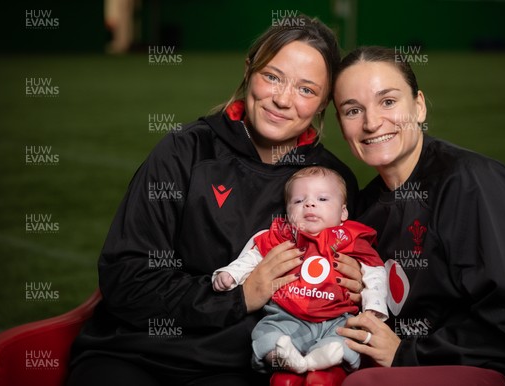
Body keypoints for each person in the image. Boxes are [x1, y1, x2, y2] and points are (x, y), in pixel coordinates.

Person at [66, 16, 365, 386]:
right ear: (248, 70)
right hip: (133, 352)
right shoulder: (185, 150)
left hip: (236, 369)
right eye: (272, 77)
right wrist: (241, 296)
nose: (283, 99)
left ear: (323, 103)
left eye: (306, 90)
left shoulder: (331, 183)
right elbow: (125, 278)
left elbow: (349, 302)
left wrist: (358, 286)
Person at [332, 46, 505, 385]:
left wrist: (406, 354)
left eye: (388, 102)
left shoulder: (475, 182)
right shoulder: (363, 209)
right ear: (342, 126)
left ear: (419, 105)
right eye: (353, 110)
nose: (371, 122)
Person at [212, 166, 387, 374]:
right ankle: (283, 358)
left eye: (322, 199)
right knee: (266, 334)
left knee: (347, 340)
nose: (310, 204)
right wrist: (230, 274)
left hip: (337, 318)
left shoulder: (349, 238)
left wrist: (374, 303)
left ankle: (321, 358)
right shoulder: (281, 235)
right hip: (285, 316)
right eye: (298, 201)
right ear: (287, 212)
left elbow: (374, 269)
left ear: (343, 212)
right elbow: (253, 255)